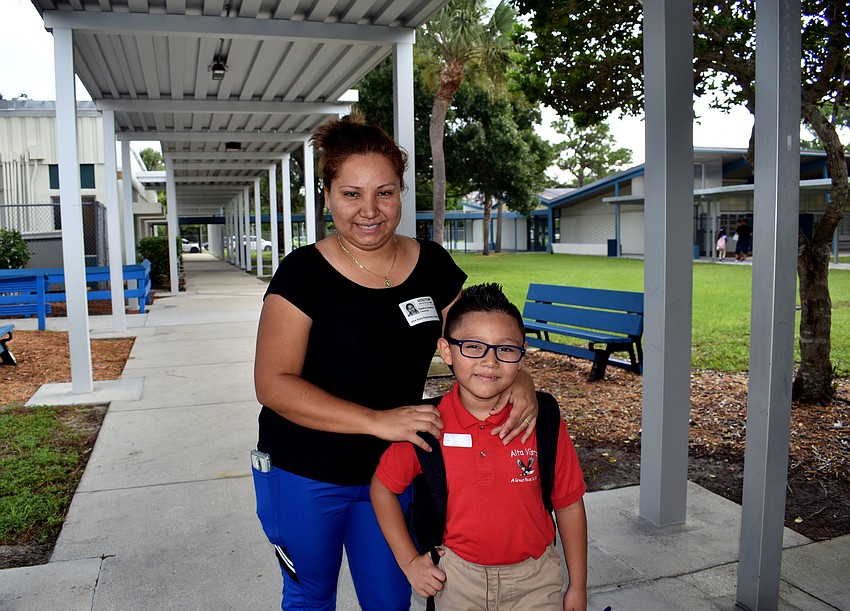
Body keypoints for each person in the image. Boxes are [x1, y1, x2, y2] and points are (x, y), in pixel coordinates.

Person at [252, 112, 539, 611]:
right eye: (351, 194)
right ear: (327, 196)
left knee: (390, 600)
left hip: (392, 473)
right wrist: (376, 420)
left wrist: (521, 380)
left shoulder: (431, 264)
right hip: (304, 470)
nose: (370, 210)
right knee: (309, 594)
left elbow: (480, 340)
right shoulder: (302, 274)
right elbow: (273, 384)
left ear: (401, 193)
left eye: (385, 192)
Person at [371, 283, 588, 611]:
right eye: (473, 346)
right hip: (458, 580)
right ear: (447, 351)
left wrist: (578, 585)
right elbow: (382, 488)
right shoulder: (428, 425)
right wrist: (409, 562)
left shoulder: (541, 422)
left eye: (505, 349)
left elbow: (569, 505)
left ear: (522, 354)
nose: (490, 362)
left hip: (536, 578)